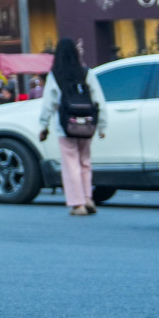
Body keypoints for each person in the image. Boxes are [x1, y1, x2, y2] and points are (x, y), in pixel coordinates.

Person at [39, 37, 107, 216]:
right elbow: (98, 100)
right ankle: (88, 197)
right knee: (85, 162)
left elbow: (49, 104)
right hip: (87, 125)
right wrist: (102, 126)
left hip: (66, 126)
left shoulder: (56, 75)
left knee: (71, 164)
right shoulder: (86, 73)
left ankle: (78, 204)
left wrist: (43, 125)